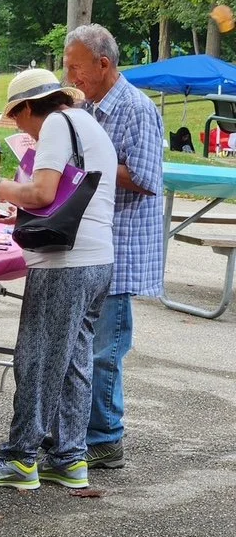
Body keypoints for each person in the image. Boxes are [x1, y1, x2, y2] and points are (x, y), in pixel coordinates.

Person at [0, 68, 117, 490]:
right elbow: (68, 194)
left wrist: (5, 189)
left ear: (29, 107)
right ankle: (69, 458)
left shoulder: (54, 126)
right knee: (74, 362)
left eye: (17, 117)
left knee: (38, 357)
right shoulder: (88, 124)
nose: (19, 127)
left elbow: (44, 193)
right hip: (99, 259)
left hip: (64, 263)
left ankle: (20, 458)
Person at [63, 24, 164, 468]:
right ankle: (77, 431)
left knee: (106, 349)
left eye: (75, 68)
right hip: (92, 244)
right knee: (84, 346)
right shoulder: (88, 108)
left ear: (103, 65)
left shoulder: (136, 108)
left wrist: (91, 163)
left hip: (121, 247)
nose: (70, 77)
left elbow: (145, 178)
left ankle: (106, 437)